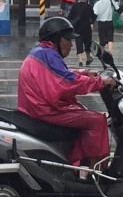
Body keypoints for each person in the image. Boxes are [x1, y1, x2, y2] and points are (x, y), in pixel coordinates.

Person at [17, 17, 117, 172]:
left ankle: (78, 164)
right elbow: (67, 82)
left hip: (37, 107)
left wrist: (83, 72)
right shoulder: (48, 55)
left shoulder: (42, 52)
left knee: (84, 114)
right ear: (56, 39)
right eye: (68, 40)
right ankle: (94, 170)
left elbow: (59, 75)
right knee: (97, 121)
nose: (71, 44)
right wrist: (100, 82)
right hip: (46, 110)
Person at [67, 0, 97, 66]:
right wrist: (91, 23)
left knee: (79, 44)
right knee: (87, 43)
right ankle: (88, 59)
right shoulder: (89, 7)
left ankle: (80, 61)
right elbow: (94, 16)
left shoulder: (74, 6)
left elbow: (69, 17)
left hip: (77, 28)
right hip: (87, 28)